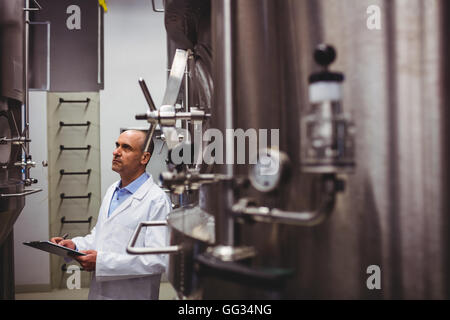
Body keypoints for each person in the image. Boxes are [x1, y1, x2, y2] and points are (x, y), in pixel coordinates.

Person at [51, 130, 172, 300]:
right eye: (117, 145)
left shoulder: (157, 200)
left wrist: (101, 263)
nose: (116, 151)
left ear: (144, 158)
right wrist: (75, 246)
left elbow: (158, 259)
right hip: (99, 293)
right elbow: (101, 236)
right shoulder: (113, 190)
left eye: (126, 147)